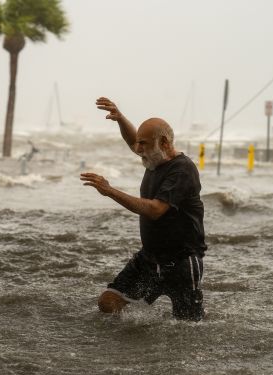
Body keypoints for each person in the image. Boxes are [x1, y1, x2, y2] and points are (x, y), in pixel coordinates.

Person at [80, 97, 207, 321]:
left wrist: (110, 191)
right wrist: (120, 119)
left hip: (182, 263)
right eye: (139, 144)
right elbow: (133, 141)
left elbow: (155, 209)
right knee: (108, 303)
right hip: (149, 259)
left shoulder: (182, 170)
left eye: (144, 144)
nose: (138, 149)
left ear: (165, 143)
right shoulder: (153, 158)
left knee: (188, 327)